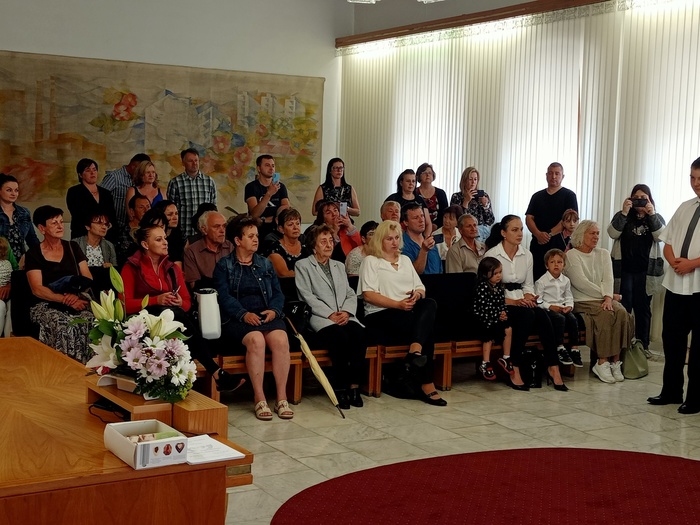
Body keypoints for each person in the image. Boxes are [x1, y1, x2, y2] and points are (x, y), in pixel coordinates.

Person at [121, 223, 240, 393]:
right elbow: (125, 305)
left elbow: (187, 303)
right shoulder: (132, 267)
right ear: (145, 244)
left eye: (165, 238)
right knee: (176, 316)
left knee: (177, 315)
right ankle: (215, 372)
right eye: (159, 239)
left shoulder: (172, 268)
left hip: (173, 321)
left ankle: (194, 379)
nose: (165, 242)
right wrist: (156, 300)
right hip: (143, 324)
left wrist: (178, 301)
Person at [358, 220, 446, 406]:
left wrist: (416, 295)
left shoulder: (405, 260)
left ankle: (414, 353)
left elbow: (421, 288)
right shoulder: (371, 261)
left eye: (397, 237)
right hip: (381, 313)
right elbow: (368, 295)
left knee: (429, 303)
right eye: (389, 238)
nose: (394, 242)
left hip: (408, 310)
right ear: (380, 240)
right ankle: (427, 384)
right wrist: (397, 304)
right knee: (427, 329)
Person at [213, 215, 292, 421]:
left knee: (281, 339)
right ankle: (259, 397)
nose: (256, 239)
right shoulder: (224, 265)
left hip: (266, 315)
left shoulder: (265, 264)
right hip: (237, 318)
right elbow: (223, 296)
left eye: (256, 235)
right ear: (238, 240)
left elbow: (278, 293)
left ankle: (281, 397)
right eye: (250, 236)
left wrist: (274, 310)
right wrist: (243, 314)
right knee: (256, 340)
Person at [484, 215, 567, 391]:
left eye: (521, 229)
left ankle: (553, 366)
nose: (520, 233)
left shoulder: (527, 255)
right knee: (527, 315)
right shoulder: (492, 255)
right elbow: (488, 291)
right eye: (515, 230)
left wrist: (529, 297)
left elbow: (528, 285)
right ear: (503, 233)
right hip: (499, 302)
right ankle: (514, 367)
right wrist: (515, 302)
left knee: (542, 314)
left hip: (520, 299)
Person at [648, 158, 700, 413]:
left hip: (698, 286)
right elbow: (667, 241)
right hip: (676, 285)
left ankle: (696, 398)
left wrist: (692, 264)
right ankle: (671, 391)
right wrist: (674, 262)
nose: (696, 183)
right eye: (692, 178)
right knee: (672, 340)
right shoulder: (685, 206)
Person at [295, 224, 366, 409]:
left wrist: (347, 312)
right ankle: (340, 388)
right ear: (313, 246)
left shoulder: (339, 265)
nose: (328, 245)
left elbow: (350, 293)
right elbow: (306, 296)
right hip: (321, 317)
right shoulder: (303, 266)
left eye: (330, 241)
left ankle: (354, 386)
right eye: (323, 241)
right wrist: (330, 314)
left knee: (359, 334)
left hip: (344, 314)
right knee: (339, 337)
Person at [564, 220, 632, 384]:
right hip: (582, 300)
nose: (596, 237)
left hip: (604, 299)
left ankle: (615, 361)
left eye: (597, 233)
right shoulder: (572, 255)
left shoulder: (603, 253)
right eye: (592, 233)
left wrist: (608, 297)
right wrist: (609, 295)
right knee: (606, 315)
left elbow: (608, 279)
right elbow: (581, 283)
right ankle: (602, 362)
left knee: (622, 312)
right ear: (581, 235)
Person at [25, 206, 94, 363]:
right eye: (54, 223)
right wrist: (63, 299)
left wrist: (75, 296)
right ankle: (61, 367)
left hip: (78, 298)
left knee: (91, 320)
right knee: (63, 324)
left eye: (61, 222)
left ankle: (90, 368)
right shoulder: (33, 253)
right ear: (42, 228)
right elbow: (37, 289)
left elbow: (87, 277)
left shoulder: (73, 247)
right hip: (47, 304)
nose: (60, 226)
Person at [607, 184, 666, 353]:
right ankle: (622, 345)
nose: (639, 201)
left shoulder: (656, 217)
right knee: (624, 307)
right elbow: (612, 233)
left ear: (650, 200)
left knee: (643, 309)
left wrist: (651, 214)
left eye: (643, 198)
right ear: (630, 199)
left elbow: (661, 236)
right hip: (624, 270)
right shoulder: (623, 215)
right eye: (636, 198)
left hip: (646, 272)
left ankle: (643, 346)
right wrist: (624, 212)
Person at [525, 162, 579, 280]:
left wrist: (548, 235)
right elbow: (529, 218)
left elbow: (568, 220)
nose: (553, 176)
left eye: (557, 173)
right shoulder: (537, 196)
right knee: (537, 278)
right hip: (538, 243)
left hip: (559, 244)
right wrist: (538, 234)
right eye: (550, 173)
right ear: (546, 175)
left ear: (562, 176)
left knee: (559, 279)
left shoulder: (569, 195)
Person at [535, 249, 582, 368]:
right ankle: (560, 347)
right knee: (560, 319)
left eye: (559, 262)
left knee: (572, 319)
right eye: (552, 262)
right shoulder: (541, 281)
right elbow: (538, 300)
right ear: (547, 265)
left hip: (562, 307)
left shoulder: (566, 281)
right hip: (548, 309)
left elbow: (569, 297)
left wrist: (569, 306)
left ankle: (574, 349)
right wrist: (550, 306)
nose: (556, 265)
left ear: (564, 265)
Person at [473, 257, 512, 382]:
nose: (499, 275)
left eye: (500, 272)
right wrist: (497, 315)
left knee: (508, 328)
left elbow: (502, 303)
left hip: (495, 317)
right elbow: (484, 307)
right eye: (495, 273)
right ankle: (485, 362)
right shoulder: (482, 287)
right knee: (488, 332)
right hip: (483, 318)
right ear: (485, 274)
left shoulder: (500, 287)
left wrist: (504, 313)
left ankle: (506, 357)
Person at [167, 148, 217, 239]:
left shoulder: (209, 181)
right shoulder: (175, 182)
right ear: (183, 163)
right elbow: (170, 208)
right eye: (190, 161)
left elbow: (213, 208)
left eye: (196, 160)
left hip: (204, 233)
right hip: (183, 232)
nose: (194, 163)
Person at [66, 158, 118, 244]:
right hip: (82, 236)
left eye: (94, 170)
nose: (92, 172)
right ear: (80, 174)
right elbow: (78, 216)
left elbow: (112, 216)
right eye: (88, 170)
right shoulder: (74, 192)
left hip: (106, 237)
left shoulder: (106, 193)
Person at [102, 153, 151, 237]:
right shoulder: (114, 177)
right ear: (133, 166)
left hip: (133, 227)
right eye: (141, 170)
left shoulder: (139, 180)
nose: (142, 173)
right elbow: (100, 197)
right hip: (114, 226)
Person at [183, 211, 233, 291]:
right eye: (216, 227)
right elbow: (194, 285)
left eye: (224, 226)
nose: (222, 230)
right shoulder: (192, 251)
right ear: (204, 230)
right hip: (207, 295)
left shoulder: (231, 246)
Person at [245, 154, 290, 242]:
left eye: (273, 166)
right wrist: (269, 193)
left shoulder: (281, 187)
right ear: (259, 168)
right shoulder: (251, 187)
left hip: (277, 229)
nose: (271, 168)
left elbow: (286, 208)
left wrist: (274, 219)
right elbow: (254, 214)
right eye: (267, 165)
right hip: (259, 230)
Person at [0, 173, 40, 261]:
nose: (14, 194)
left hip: (20, 260)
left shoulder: (24, 212)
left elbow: (32, 239)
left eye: (16, 190)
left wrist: (42, 255)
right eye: (9, 190)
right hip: (2, 260)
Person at [450, 167, 495, 241]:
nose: (473, 182)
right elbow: (458, 221)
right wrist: (466, 202)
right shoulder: (457, 196)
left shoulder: (483, 196)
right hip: (466, 232)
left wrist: (485, 206)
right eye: (470, 179)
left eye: (475, 179)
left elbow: (490, 221)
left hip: (484, 231)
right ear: (464, 180)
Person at [312, 200, 361, 264]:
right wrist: (335, 231)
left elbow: (361, 246)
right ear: (323, 218)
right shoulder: (319, 232)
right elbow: (325, 255)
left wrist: (350, 226)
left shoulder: (345, 229)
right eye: (328, 212)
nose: (334, 214)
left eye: (335, 210)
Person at [384, 169, 431, 233]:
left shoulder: (420, 200)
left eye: (413, 181)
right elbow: (385, 220)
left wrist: (426, 237)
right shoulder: (392, 199)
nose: (411, 184)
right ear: (401, 183)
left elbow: (428, 223)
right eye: (408, 181)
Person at [400, 202, 441, 275]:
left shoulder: (430, 241)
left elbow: (439, 268)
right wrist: (424, 251)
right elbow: (413, 273)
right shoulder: (401, 244)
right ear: (406, 222)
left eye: (422, 216)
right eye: (416, 218)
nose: (421, 220)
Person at [267, 208, 309, 278]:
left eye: (297, 223)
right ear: (281, 229)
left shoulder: (307, 246)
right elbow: (285, 275)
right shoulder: (275, 250)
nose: (295, 227)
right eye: (290, 224)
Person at [416, 163, 449, 229]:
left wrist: (436, 225)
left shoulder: (441, 193)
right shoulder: (414, 193)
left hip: (438, 228)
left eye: (430, 173)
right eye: (424, 173)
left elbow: (445, 212)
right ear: (419, 175)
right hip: (418, 227)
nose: (427, 175)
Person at [154, 200, 184, 266]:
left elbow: (178, 261)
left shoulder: (179, 235)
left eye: (176, 213)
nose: (175, 218)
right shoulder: (155, 237)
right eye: (170, 214)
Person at [0, 237, 13, 336]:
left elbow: (12, 279)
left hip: (6, 295)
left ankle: (9, 338)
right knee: (1, 306)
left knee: (13, 306)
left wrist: (9, 285)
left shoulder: (7, 264)